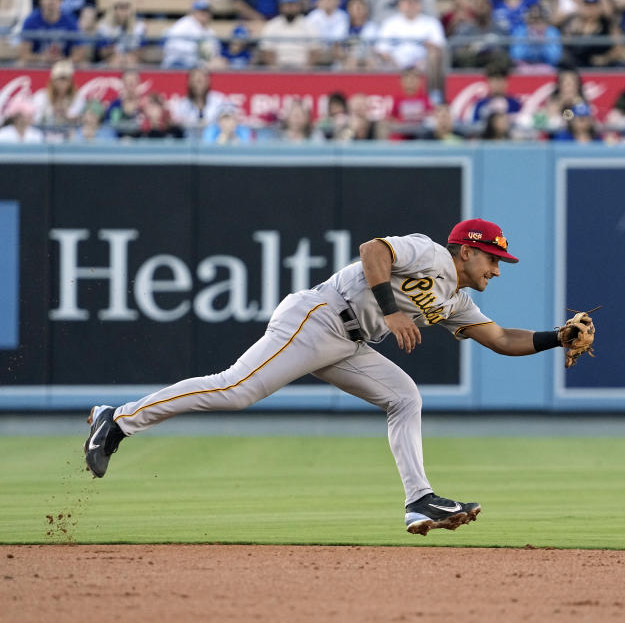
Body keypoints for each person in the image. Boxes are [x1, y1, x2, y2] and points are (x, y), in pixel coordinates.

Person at [82, 219, 583, 535]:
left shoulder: (457, 301)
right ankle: (119, 418)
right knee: (237, 390)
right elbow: (372, 251)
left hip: (348, 342)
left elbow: (501, 340)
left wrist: (558, 338)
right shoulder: (430, 253)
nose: (498, 270)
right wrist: (391, 311)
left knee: (405, 397)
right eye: (494, 259)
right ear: (468, 251)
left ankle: (419, 500)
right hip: (319, 314)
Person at [375, 0, 445, 70]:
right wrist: (397, 65)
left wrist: (419, 65)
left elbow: (439, 46)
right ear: (399, 4)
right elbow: (381, 48)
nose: (410, 3)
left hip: (423, 66)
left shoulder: (432, 23)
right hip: (394, 66)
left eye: (414, 0)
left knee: (434, 54)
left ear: (420, 4)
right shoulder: (389, 23)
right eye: (406, 0)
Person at [17, 0, 86, 66]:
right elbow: (24, 54)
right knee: (20, 63)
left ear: (61, 1)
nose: (51, 2)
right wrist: (42, 58)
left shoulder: (71, 21)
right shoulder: (30, 21)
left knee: (83, 64)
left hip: (64, 65)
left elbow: (79, 54)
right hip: (37, 64)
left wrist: (62, 60)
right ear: (40, 1)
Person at [161, 0, 226, 69]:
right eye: (201, 11)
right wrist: (199, 51)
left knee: (221, 64)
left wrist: (215, 60)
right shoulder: (184, 24)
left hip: (199, 64)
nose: (204, 14)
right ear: (193, 12)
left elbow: (213, 53)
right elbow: (171, 45)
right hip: (178, 62)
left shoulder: (210, 32)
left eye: (207, 11)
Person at [262, 0, 320, 68]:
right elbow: (267, 50)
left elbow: (315, 50)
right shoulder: (272, 25)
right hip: (279, 68)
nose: (290, 8)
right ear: (281, 7)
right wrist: (274, 68)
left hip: (302, 68)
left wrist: (307, 68)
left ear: (299, 6)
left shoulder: (309, 25)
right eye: (286, 5)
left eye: (293, 5)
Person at [168, 65, 226, 132]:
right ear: (189, 82)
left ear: (208, 81)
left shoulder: (219, 101)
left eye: (201, 81)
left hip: (213, 140)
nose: (198, 85)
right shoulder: (182, 105)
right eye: (195, 81)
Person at [95, 0, 145, 67]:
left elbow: (141, 52)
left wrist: (127, 55)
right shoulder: (104, 27)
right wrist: (114, 51)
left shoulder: (139, 27)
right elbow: (102, 52)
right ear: (113, 9)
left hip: (132, 59)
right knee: (116, 61)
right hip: (110, 59)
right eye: (120, 8)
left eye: (126, 8)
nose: (123, 11)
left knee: (130, 61)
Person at [508, 2, 561, 69]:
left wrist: (541, 44)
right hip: (524, 67)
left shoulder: (552, 31)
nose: (537, 22)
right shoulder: (520, 30)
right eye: (533, 19)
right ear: (527, 19)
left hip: (547, 67)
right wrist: (529, 43)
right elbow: (515, 55)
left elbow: (555, 57)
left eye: (540, 18)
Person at [306, 0, 348, 65]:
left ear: (338, 1)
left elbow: (340, 36)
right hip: (317, 47)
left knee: (339, 49)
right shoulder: (313, 16)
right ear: (319, 2)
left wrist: (328, 45)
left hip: (335, 48)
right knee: (313, 49)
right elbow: (311, 35)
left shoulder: (343, 16)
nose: (328, 2)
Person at [471, 60, 522, 125]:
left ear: (506, 82)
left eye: (500, 80)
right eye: (494, 81)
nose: (497, 84)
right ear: (488, 82)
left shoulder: (514, 104)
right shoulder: (481, 104)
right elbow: (475, 127)